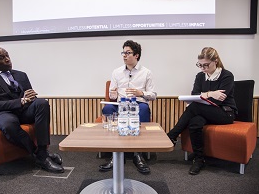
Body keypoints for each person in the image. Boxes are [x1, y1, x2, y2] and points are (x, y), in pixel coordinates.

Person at [0, 46, 64, 173]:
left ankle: (43, 151)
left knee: (42, 103)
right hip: (2, 113)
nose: (7, 59)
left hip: (23, 111)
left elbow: (30, 98)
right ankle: (40, 156)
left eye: (7, 56)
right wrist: (21, 101)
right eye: (1, 57)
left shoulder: (21, 75)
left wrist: (31, 98)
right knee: (9, 124)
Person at [167, 47, 237, 175]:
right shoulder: (200, 76)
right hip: (204, 111)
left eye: (206, 65)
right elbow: (195, 94)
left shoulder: (227, 75)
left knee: (194, 107)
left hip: (225, 113)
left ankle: (172, 135)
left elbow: (217, 101)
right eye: (200, 65)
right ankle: (199, 159)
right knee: (195, 123)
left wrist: (204, 95)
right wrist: (211, 93)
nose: (203, 69)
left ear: (215, 61)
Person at [99, 40, 157, 174]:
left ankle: (138, 153)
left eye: (128, 53)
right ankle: (115, 152)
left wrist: (140, 93)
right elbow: (112, 96)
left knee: (143, 109)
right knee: (107, 109)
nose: (124, 55)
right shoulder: (116, 72)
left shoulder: (146, 72)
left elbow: (153, 95)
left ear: (136, 55)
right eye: (123, 53)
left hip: (138, 104)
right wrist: (112, 94)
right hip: (121, 104)